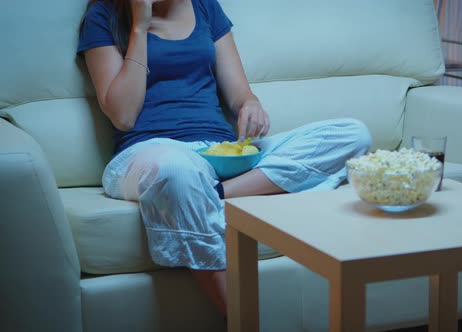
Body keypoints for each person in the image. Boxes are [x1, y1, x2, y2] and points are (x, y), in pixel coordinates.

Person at [78, 0, 372, 318]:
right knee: (177, 170)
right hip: (150, 154)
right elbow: (123, 116)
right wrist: (140, 24)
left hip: (219, 156)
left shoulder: (204, 6)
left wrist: (250, 105)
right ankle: (245, 320)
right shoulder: (104, 15)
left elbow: (239, 94)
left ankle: (209, 197)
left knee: (351, 134)